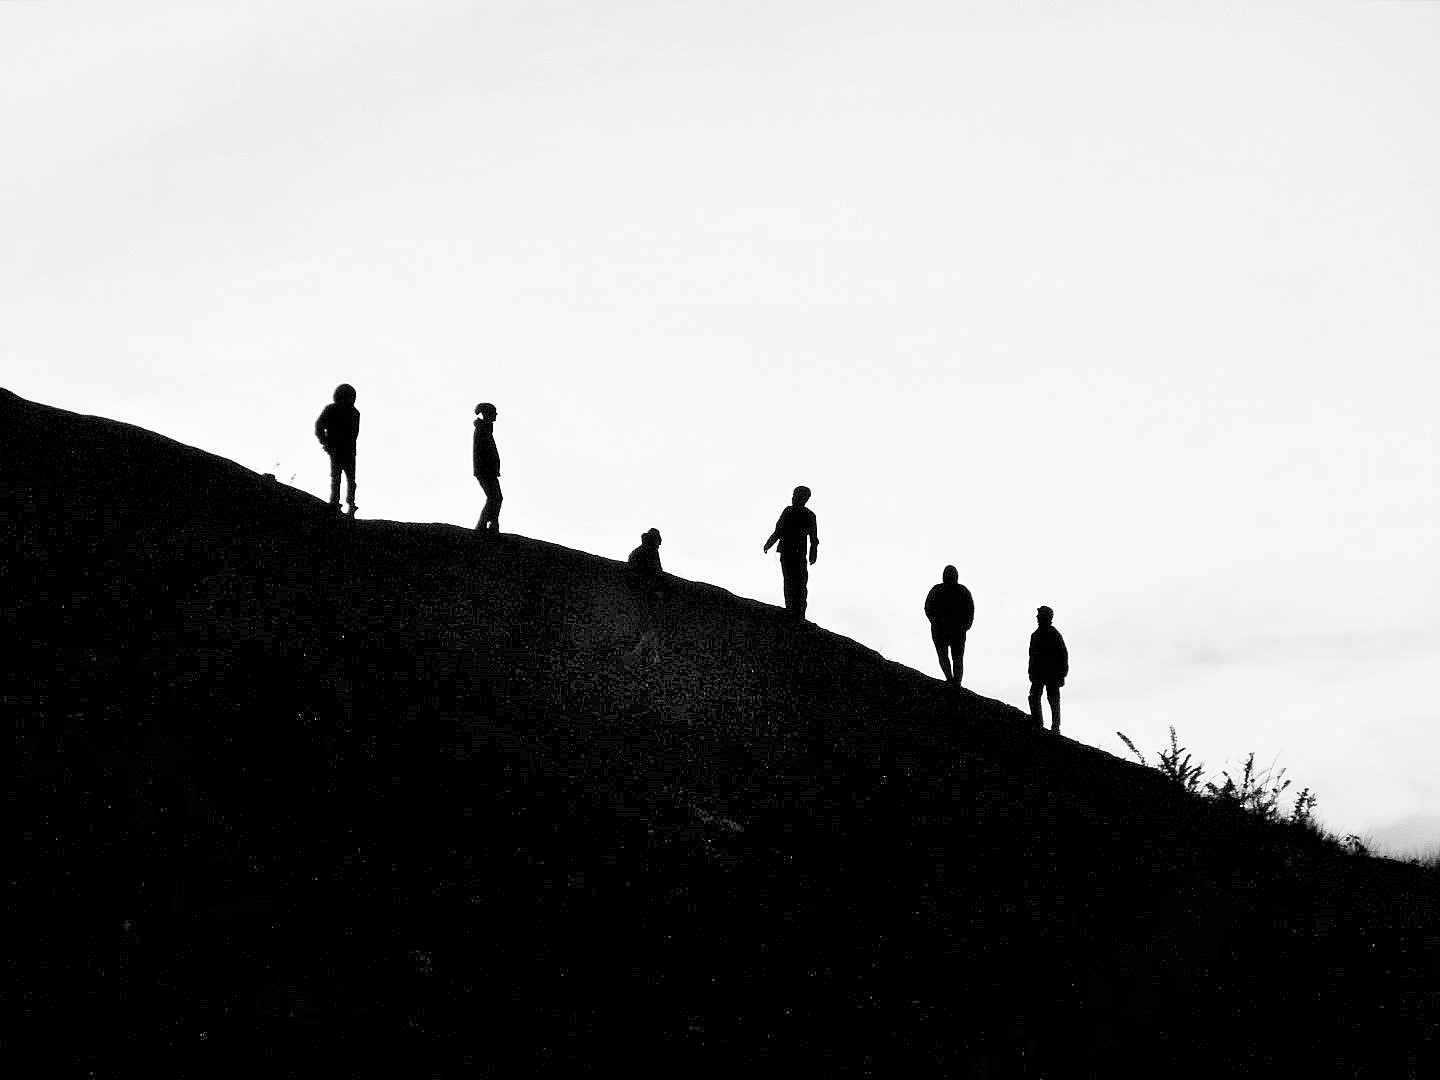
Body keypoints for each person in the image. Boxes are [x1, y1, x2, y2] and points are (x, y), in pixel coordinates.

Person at [762, 485, 819, 620]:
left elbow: (814, 538)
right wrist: (769, 544)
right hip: (787, 553)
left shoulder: (809, 515)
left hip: (799, 554)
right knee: (789, 581)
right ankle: (791, 610)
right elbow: (778, 530)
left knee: (800, 583)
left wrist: (813, 553)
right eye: (794, 495)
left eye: (797, 496)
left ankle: (799, 613)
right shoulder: (788, 511)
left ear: (805, 499)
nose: (794, 498)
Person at [924, 565, 975, 686]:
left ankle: (955, 682)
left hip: (954, 630)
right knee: (948, 656)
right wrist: (935, 622)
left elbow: (970, 609)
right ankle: (952, 680)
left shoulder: (960, 591)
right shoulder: (940, 590)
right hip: (944, 629)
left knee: (955, 658)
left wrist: (966, 625)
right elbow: (928, 608)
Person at [314, 383, 360, 515]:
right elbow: (319, 426)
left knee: (348, 479)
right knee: (338, 478)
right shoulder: (333, 410)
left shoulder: (354, 413)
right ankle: (336, 502)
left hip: (347, 451)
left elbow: (354, 434)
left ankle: (350, 504)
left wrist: (326, 443)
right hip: (338, 450)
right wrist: (326, 442)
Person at [1028, 605, 1069, 733]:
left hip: (1052, 674)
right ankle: (1037, 722)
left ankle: (1055, 727)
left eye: (1040, 615)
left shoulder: (1054, 635)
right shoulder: (1035, 635)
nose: (1037, 617)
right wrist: (1031, 671)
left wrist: (1062, 674)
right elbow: (1032, 655)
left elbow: (1063, 655)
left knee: (1053, 700)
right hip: (1039, 673)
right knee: (1034, 697)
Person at [473, 402, 502, 536]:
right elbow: (483, 452)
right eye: (494, 412)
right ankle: (485, 525)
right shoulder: (482, 430)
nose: (496, 415)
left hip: (487, 470)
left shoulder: (485, 429)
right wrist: (490, 467)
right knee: (495, 497)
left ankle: (491, 524)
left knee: (495, 497)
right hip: (485, 471)